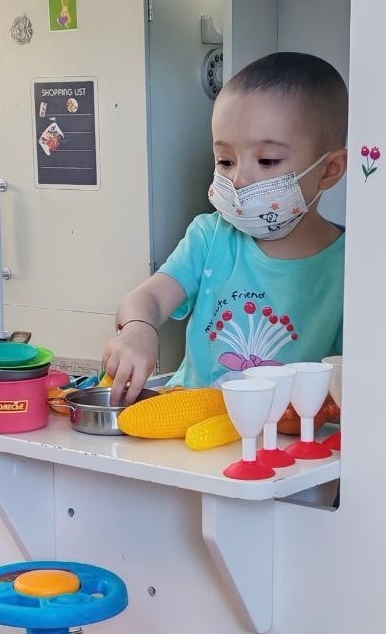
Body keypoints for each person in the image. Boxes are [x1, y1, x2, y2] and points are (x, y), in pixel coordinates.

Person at [103, 51, 348, 405]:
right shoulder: (210, 237)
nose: (239, 179)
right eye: (226, 160)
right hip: (193, 426)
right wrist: (138, 329)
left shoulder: (350, 267)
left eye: (267, 160)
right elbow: (149, 298)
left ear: (329, 170)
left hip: (289, 438)